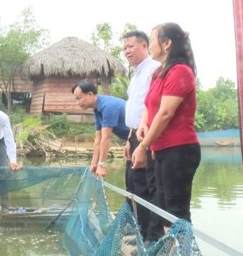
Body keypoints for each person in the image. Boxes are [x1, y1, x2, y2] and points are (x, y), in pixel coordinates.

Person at [132, 22, 201, 230]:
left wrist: (143, 146)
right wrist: (143, 124)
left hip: (180, 150)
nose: (151, 45)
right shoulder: (158, 73)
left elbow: (165, 113)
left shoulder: (181, 71)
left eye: (152, 41)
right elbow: (148, 106)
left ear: (167, 44)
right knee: (163, 209)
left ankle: (183, 251)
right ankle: (171, 250)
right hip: (161, 150)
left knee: (176, 211)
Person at [122, 30, 164, 242]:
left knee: (146, 186)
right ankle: (140, 231)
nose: (126, 51)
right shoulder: (136, 73)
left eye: (130, 46)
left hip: (147, 135)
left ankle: (151, 237)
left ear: (145, 45)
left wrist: (144, 144)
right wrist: (129, 139)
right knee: (132, 184)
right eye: (125, 48)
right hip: (134, 134)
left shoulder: (154, 69)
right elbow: (136, 108)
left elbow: (154, 107)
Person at [71, 79, 129, 177]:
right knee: (131, 178)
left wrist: (101, 165)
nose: (77, 102)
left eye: (79, 98)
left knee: (138, 179)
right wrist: (94, 164)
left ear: (90, 94)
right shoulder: (97, 110)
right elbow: (98, 139)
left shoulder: (108, 106)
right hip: (131, 141)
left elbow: (106, 138)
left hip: (143, 138)